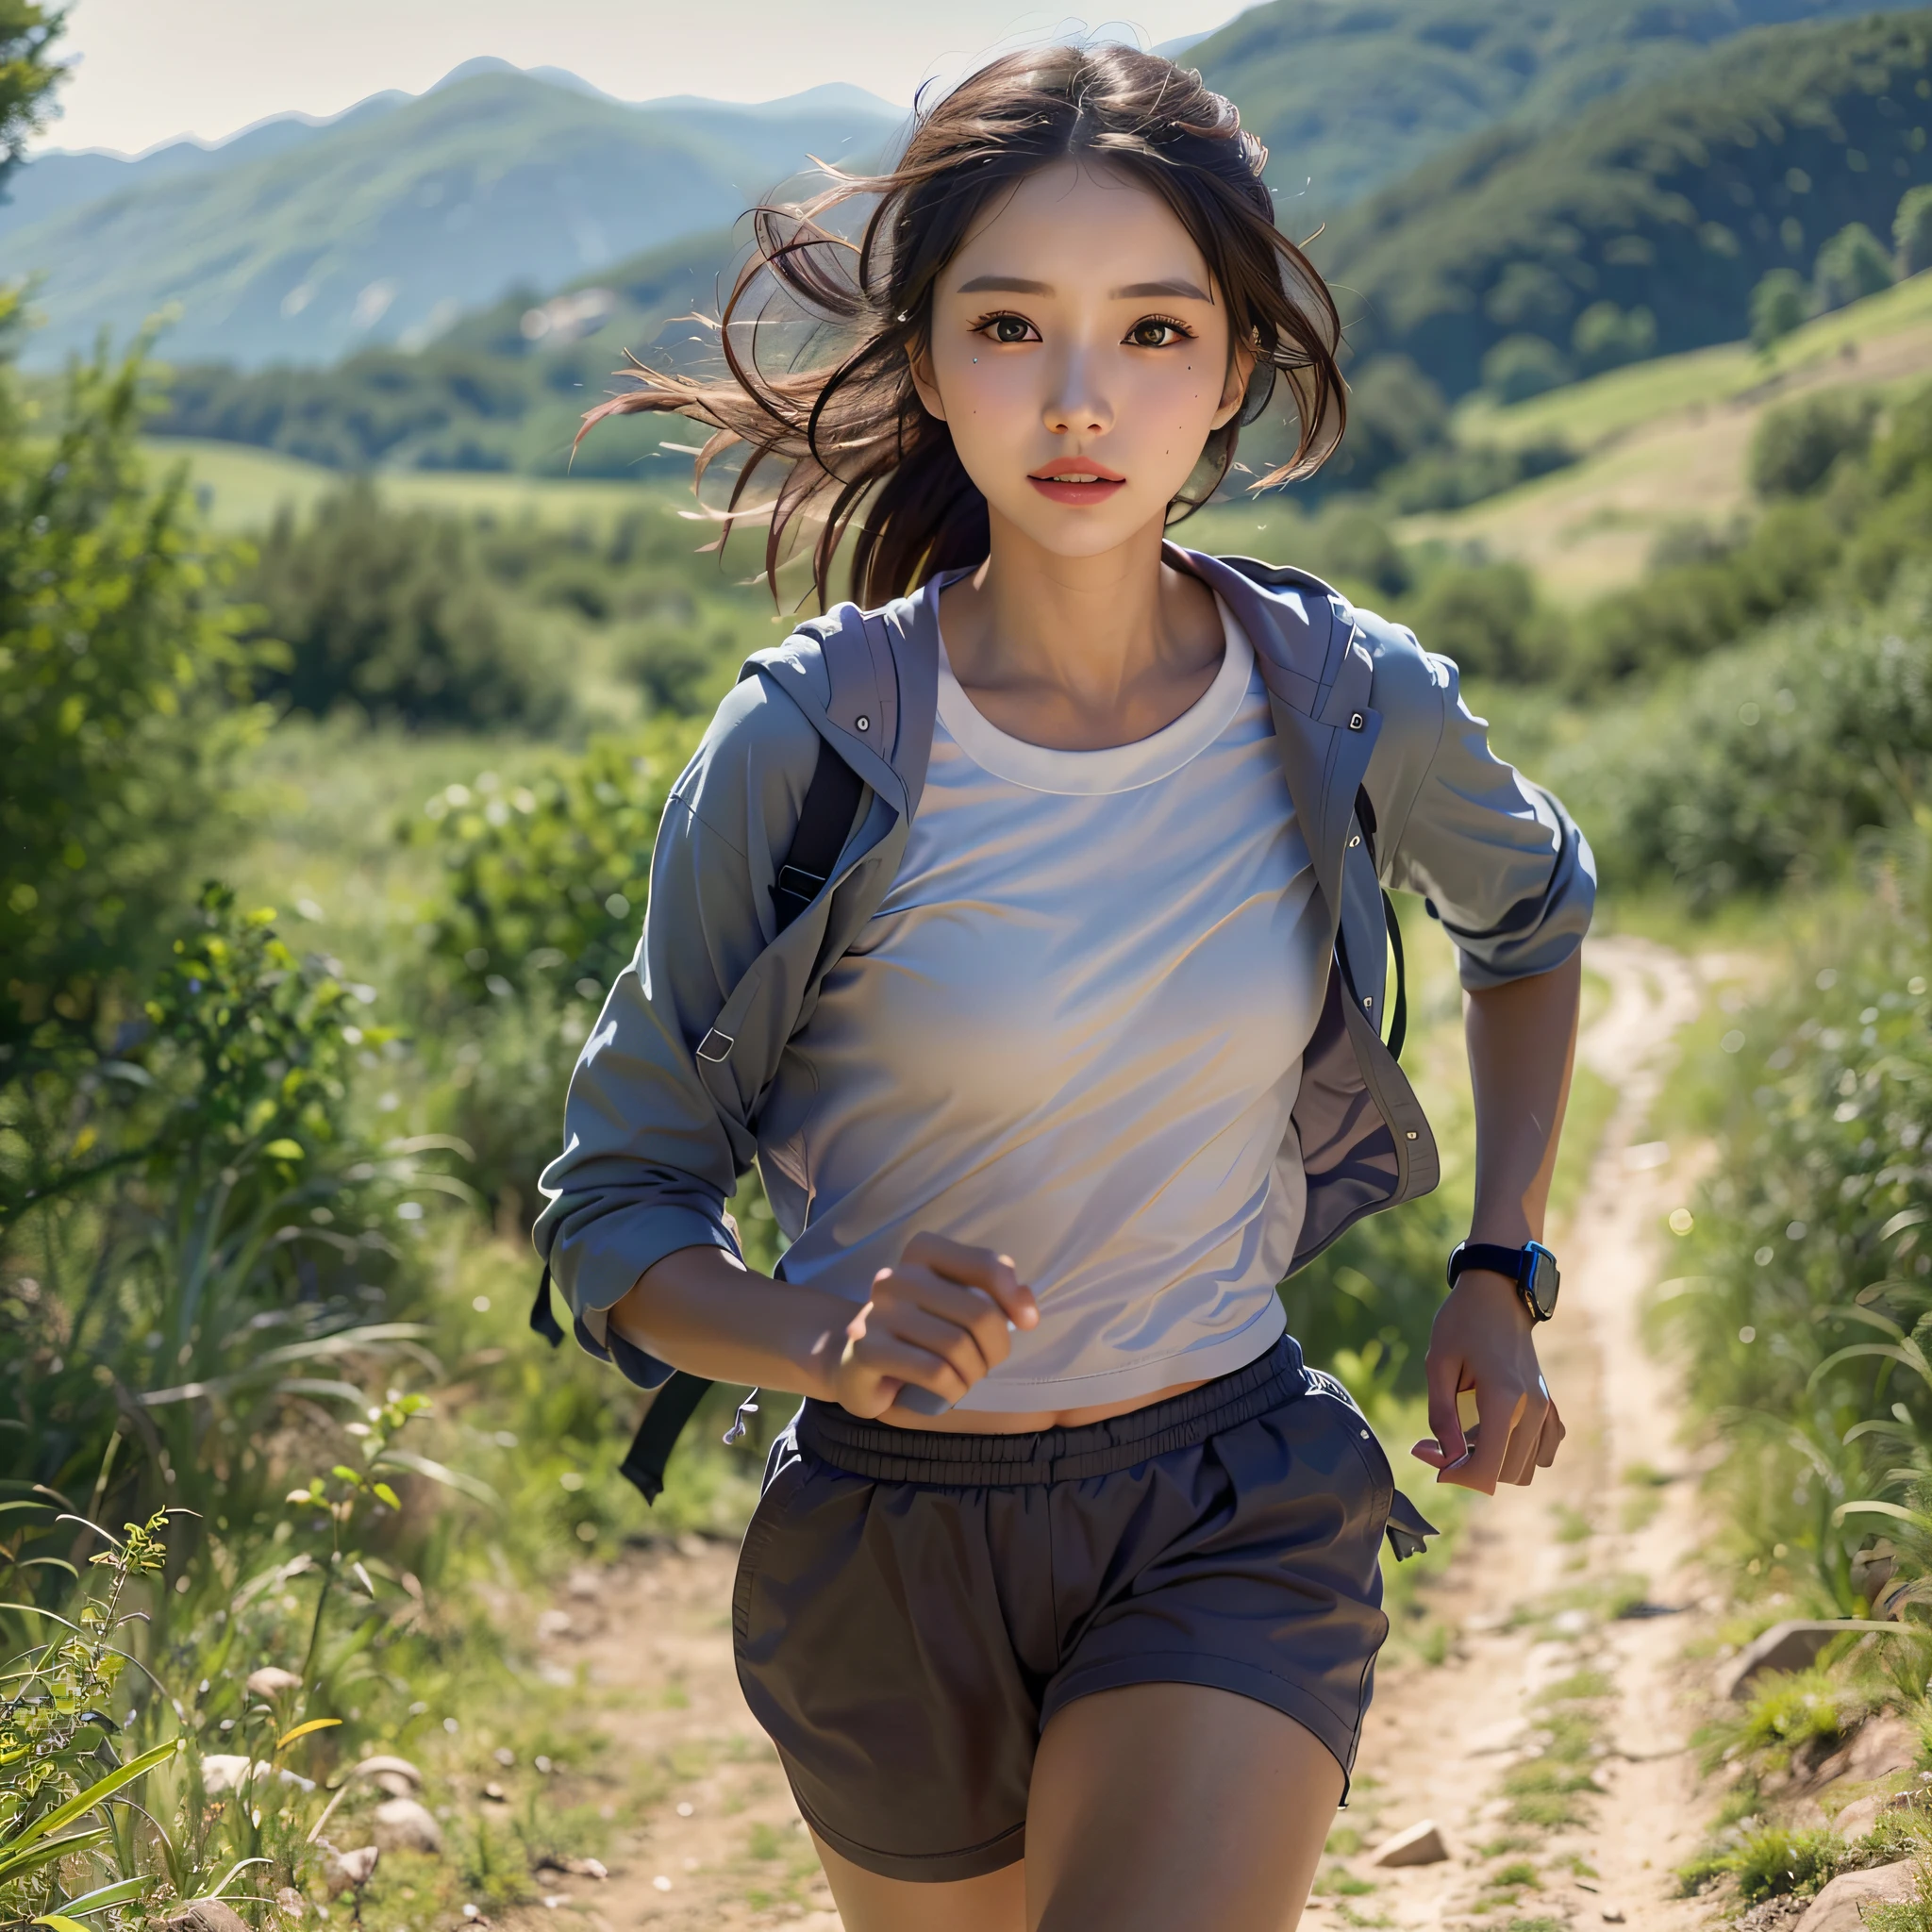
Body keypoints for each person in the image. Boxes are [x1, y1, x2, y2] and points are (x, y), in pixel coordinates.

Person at [535, 42, 1591, 1932]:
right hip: (881, 1546)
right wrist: (811, 1325)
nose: (1084, 398)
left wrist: (1499, 1264)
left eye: (1156, 331)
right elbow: (611, 1215)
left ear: (1237, 372)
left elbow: (1531, 921)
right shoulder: (814, 745)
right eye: (1013, 326)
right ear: (932, 367)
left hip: (1224, 1498)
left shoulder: (1343, 700)